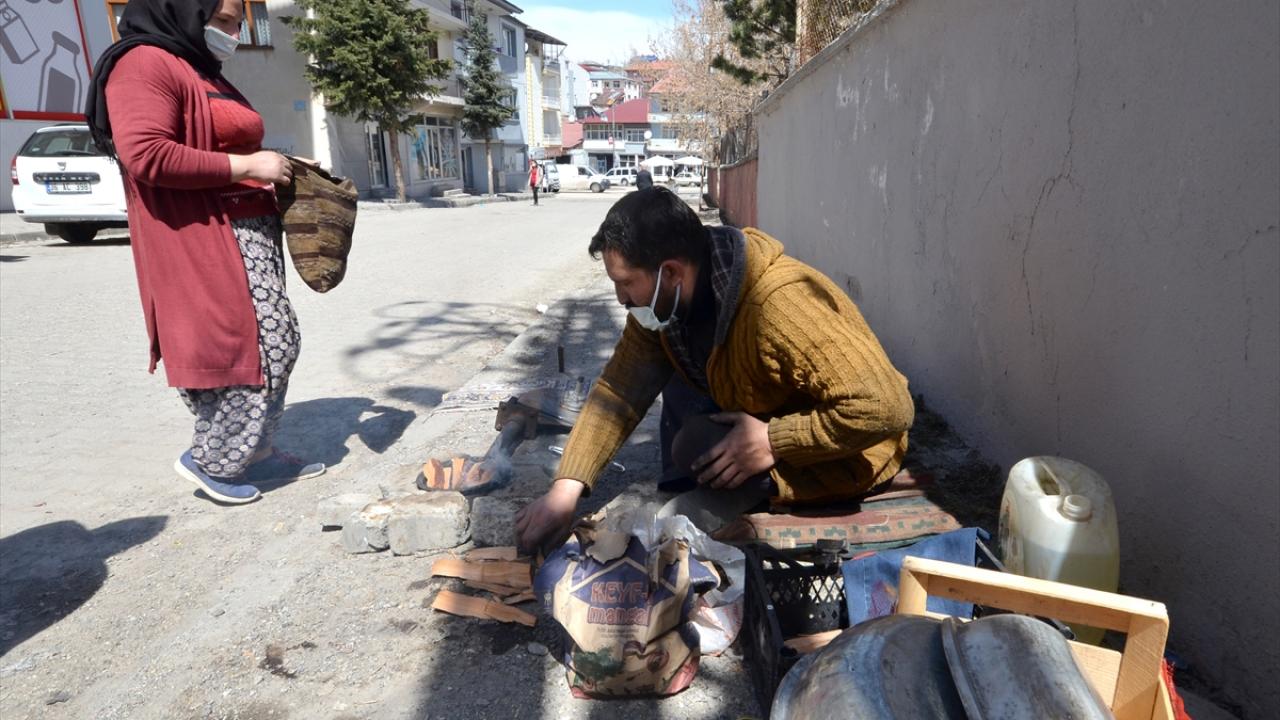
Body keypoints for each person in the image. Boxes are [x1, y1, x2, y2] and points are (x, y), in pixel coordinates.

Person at [515, 187, 914, 552]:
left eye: (626, 284)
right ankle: (720, 478)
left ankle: (753, 488)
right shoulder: (665, 303)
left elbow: (887, 407)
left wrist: (774, 440)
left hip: (853, 448)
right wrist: (566, 489)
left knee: (694, 446)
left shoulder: (779, 305)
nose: (620, 299)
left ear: (670, 271)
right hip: (762, 405)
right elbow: (621, 388)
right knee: (678, 397)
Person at [85, 0, 324, 505]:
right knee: (255, 349)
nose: (234, 34)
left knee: (275, 343)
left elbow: (221, 143)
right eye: (225, 22)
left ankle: (255, 451)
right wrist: (248, 166)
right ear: (186, 10)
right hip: (204, 235)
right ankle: (212, 458)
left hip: (247, 230)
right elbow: (147, 153)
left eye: (239, 24)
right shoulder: (144, 63)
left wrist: (277, 162)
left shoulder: (196, 65)